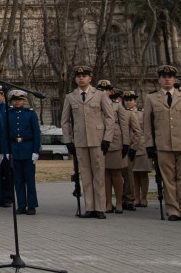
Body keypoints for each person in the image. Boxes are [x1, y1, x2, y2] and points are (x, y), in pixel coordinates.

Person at [143, 64, 181, 222]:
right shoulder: (152, 98)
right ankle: (173, 209)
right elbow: (148, 124)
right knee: (168, 179)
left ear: (175, 79)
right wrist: (149, 145)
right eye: (163, 77)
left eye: (169, 77)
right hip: (163, 145)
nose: (167, 79)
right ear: (159, 80)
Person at [61, 66, 114, 219]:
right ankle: (90, 207)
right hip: (80, 140)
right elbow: (65, 121)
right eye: (78, 76)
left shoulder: (99, 95)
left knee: (99, 173)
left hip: (98, 140)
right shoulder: (70, 97)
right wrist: (68, 140)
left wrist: (107, 138)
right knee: (85, 174)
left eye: (84, 76)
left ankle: (100, 208)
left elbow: (110, 118)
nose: (81, 78)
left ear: (90, 78)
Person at [7, 89, 41, 215]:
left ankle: (31, 205)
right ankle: (21, 205)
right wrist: (7, 151)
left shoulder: (30, 114)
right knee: (18, 180)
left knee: (29, 179)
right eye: (15, 100)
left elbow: (36, 133)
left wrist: (35, 151)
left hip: (28, 148)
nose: (17, 102)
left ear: (23, 101)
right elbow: (5, 134)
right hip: (14, 148)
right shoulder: (8, 114)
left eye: (20, 100)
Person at [101, 84, 131, 214]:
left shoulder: (117, 105)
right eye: (101, 90)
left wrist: (126, 143)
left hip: (116, 142)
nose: (104, 92)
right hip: (101, 142)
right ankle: (108, 202)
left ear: (111, 91)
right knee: (105, 174)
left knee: (116, 173)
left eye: (106, 89)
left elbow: (124, 125)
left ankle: (119, 201)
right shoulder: (96, 104)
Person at [121, 90, 144, 211]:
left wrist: (133, 148)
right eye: (126, 100)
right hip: (118, 148)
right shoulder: (120, 112)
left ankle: (129, 199)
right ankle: (121, 199)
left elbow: (138, 132)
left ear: (135, 101)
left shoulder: (134, 114)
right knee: (118, 175)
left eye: (130, 100)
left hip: (129, 148)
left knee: (129, 175)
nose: (128, 102)